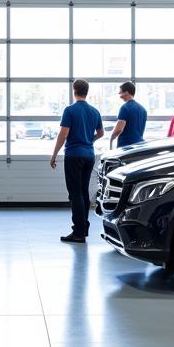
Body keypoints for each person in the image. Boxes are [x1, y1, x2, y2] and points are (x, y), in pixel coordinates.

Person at [50, 79, 104, 243]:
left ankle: (78, 232)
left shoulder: (70, 110)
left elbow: (63, 134)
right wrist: (89, 140)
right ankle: (84, 228)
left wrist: (54, 154)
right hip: (89, 155)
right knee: (83, 192)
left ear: (74, 90)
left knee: (75, 194)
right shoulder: (94, 111)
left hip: (74, 155)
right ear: (86, 91)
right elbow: (101, 133)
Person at [109, 81, 147, 148]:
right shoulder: (143, 109)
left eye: (120, 92)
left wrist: (111, 138)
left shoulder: (125, 108)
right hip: (140, 145)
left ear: (126, 92)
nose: (119, 94)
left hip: (126, 146)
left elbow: (119, 129)